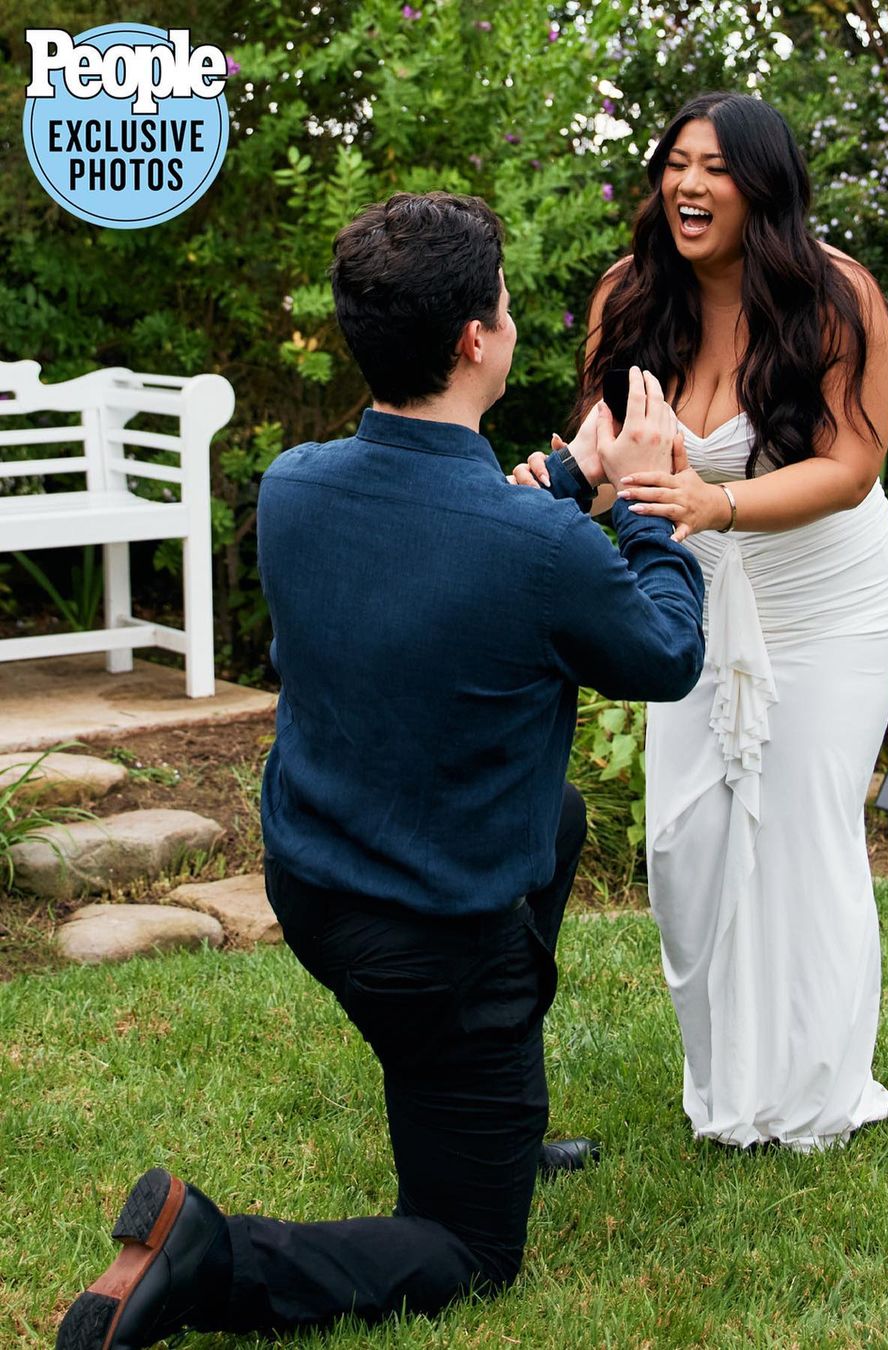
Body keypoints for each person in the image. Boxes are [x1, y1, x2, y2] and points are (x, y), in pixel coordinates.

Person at [55, 192, 704, 1348]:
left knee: (555, 821)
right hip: (434, 940)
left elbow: (448, 545)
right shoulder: (535, 549)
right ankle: (209, 1254)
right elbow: (665, 654)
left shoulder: (296, 485)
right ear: (476, 339)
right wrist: (649, 501)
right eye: (505, 306)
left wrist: (569, 472)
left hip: (315, 888)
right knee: (470, 1251)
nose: (512, 322)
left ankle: (491, 1110)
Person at [513, 91, 888, 1152]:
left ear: (763, 188)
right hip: (695, 592)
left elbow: (851, 468)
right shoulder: (630, 295)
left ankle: (811, 1098)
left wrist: (719, 503)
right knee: (686, 845)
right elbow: (612, 452)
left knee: (801, 835)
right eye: (676, 163)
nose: (688, 185)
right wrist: (556, 485)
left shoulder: (837, 299)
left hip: (826, 597)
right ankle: (726, 1090)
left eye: (716, 168)